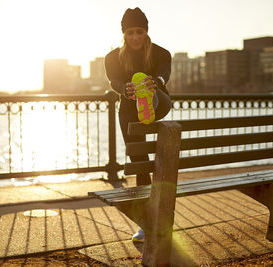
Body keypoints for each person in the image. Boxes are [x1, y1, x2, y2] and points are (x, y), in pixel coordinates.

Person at [104, 7, 172, 242]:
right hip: (129, 113)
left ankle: (148, 98)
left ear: (146, 31)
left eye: (139, 32)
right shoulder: (113, 57)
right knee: (141, 164)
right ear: (124, 33)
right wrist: (125, 88)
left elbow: (164, 74)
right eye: (131, 32)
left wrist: (156, 82)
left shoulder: (161, 53)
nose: (135, 37)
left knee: (148, 164)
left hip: (159, 105)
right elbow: (114, 81)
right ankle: (150, 220)